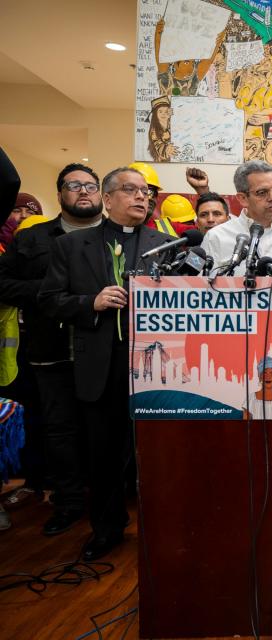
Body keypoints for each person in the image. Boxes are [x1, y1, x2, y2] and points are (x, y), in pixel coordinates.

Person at [39, 166, 174, 561]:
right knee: (103, 454)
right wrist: (89, 303)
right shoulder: (72, 246)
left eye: (145, 192)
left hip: (157, 365)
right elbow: (48, 300)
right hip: (100, 364)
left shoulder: (167, 246)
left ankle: (164, 528)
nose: (141, 197)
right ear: (108, 198)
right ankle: (107, 528)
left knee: (158, 454)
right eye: (130, 190)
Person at [0, 164, 103, 536]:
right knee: (59, 432)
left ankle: (108, 500)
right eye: (73, 185)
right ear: (60, 193)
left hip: (106, 354)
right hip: (51, 351)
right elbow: (3, 283)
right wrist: (51, 294)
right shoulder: (34, 238)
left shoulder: (116, 237)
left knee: (105, 431)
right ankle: (68, 502)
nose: (83, 192)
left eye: (90, 185)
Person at [128, 162, 190, 237]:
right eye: (143, 191)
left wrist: (203, 192)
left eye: (151, 192)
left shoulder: (169, 227)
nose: (149, 198)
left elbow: (204, 229)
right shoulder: (112, 231)